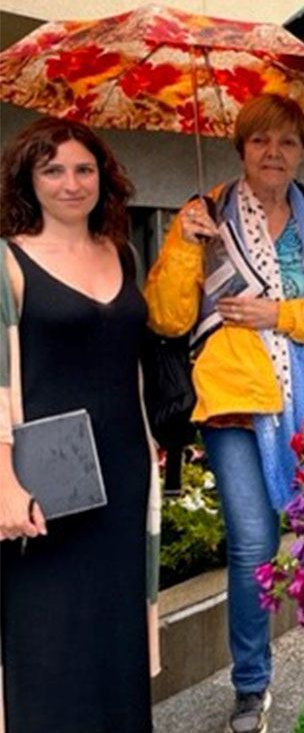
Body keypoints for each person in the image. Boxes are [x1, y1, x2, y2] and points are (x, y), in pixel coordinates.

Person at [144, 95, 304, 732]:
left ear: (302, 151)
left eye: (286, 142)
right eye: (261, 142)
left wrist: (278, 315)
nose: (274, 154)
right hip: (236, 401)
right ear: (241, 148)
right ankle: (251, 686)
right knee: (254, 545)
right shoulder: (204, 217)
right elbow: (168, 317)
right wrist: (184, 247)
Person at [0, 117, 157, 732]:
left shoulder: (123, 251)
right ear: (28, 180)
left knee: (114, 628)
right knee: (49, 632)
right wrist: (5, 481)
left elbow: (131, 357)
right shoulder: (7, 262)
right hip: (44, 475)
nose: (71, 183)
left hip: (122, 466)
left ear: (103, 177)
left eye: (84, 169)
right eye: (54, 170)